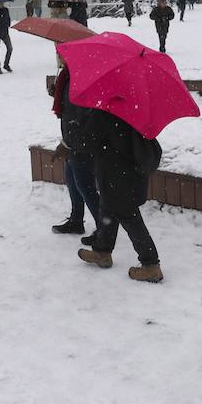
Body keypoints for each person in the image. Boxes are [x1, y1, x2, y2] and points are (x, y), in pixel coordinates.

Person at [74, 108, 164, 283]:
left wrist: (80, 124)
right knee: (107, 209)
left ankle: (151, 265)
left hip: (115, 175)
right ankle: (102, 251)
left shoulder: (105, 113)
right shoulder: (136, 110)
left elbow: (85, 142)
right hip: (131, 173)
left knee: (130, 218)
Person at [51, 62, 101, 239]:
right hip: (72, 140)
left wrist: (67, 144)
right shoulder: (67, 75)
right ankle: (76, 220)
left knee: (85, 187)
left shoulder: (80, 79)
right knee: (73, 182)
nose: (59, 55)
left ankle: (104, 229)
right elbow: (70, 109)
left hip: (81, 143)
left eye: (61, 52)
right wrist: (57, 93)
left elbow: (80, 116)